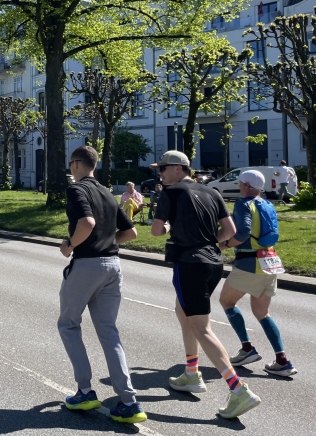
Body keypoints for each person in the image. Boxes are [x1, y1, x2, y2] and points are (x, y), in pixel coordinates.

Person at [150, 150, 261, 419]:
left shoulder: (171, 193)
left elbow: (156, 230)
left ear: (178, 168)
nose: (160, 173)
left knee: (201, 327)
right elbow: (230, 231)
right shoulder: (212, 192)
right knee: (183, 311)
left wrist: (169, 228)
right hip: (214, 263)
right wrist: (210, 243)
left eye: (163, 168)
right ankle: (191, 372)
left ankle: (239, 390)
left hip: (189, 264)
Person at [56, 146, 146, 424]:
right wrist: (106, 241)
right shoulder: (107, 192)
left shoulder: (77, 190)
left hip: (87, 265)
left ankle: (85, 391)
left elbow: (87, 222)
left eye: (71, 164)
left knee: (68, 324)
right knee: (108, 331)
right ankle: (129, 402)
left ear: (76, 164)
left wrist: (70, 245)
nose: (70, 169)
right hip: (113, 265)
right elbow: (131, 232)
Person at [218, 170, 296, 377]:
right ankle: (282, 361)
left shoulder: (243, 204)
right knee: (262, 313)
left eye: (240, 183)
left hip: (249, 262)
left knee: (227, 301)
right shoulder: (268, 204)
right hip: (270, 260)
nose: (239, 186)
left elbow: (243, 232)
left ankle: (247, 349)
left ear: (246, 185)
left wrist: (225, 244)